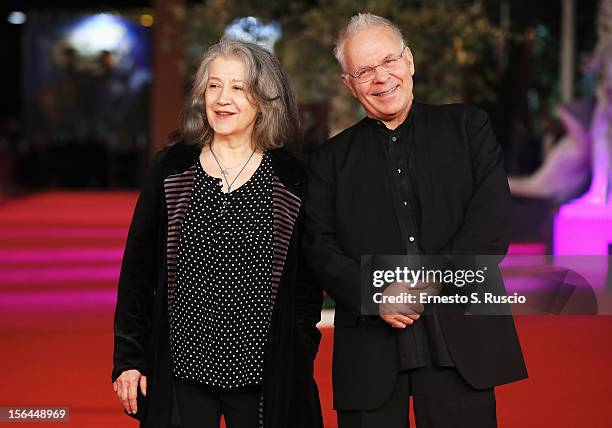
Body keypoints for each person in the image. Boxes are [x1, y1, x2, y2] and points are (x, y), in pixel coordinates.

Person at [302, 13, 527, 428]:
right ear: (347, 83)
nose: (381, 78)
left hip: (461, 340)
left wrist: (431, 282)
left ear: (409, 61)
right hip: (370, 353)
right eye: (365, 70)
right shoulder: (328, 161)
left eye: (388, 61)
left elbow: (492, 223)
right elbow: (318, 247)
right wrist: (376, 295)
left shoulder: (467, 127)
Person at [112, 38, 323, 428]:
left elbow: (306, 288)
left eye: (238, 87)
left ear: (264, 99)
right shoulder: (171, 168)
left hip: (262, 377)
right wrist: (129, 360)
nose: (222, 98)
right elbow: (137, 273)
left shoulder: (290, 179)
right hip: (181, 372)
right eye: (214, 85)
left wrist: (296, 358)